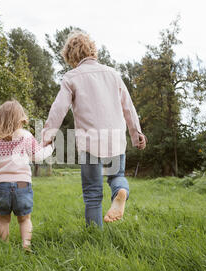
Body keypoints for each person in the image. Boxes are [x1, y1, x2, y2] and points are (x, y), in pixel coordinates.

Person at [42, 31, 147, 228]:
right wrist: (136, 134)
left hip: (90, 143)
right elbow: (128, 107)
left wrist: (48, 135)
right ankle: (120, 193)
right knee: (117, 176)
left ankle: (94, 235)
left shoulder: (71, 77)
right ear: (92, 49)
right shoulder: (113, 74)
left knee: (92, 193)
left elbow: (58, 109)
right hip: (115, 139)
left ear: (70, 55)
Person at [0, 100, 54, 250]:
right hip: (22, 184)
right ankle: (26, 245)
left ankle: (4, 247)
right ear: (21, 118)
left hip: (1, 185)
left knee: (3, 219)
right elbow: (38, 156)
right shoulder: (26, 136)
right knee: (24, 218)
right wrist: (50, 148)